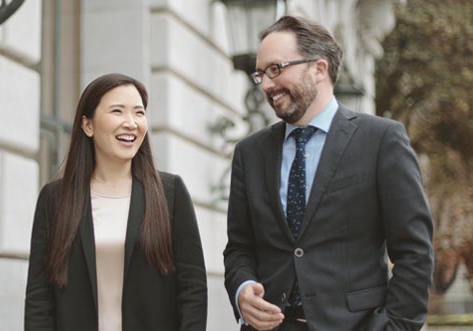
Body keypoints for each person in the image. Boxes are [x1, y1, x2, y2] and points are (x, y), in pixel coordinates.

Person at [223, 16, 433, 331]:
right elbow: (239, 246)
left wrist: (397, 327)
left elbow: (414, 252)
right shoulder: (249, 152)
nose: (266, 84)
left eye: (276, 69)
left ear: (318, 69)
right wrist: (242, 290)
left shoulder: (381, 140)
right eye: (261, 74)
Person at [25, 73, 207, 331]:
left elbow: (193, 290)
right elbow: (39, 298)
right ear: (88, 126)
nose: (131, 123)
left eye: (139, 113)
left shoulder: (171, 193)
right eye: (117, 111)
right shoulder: (55, 199)